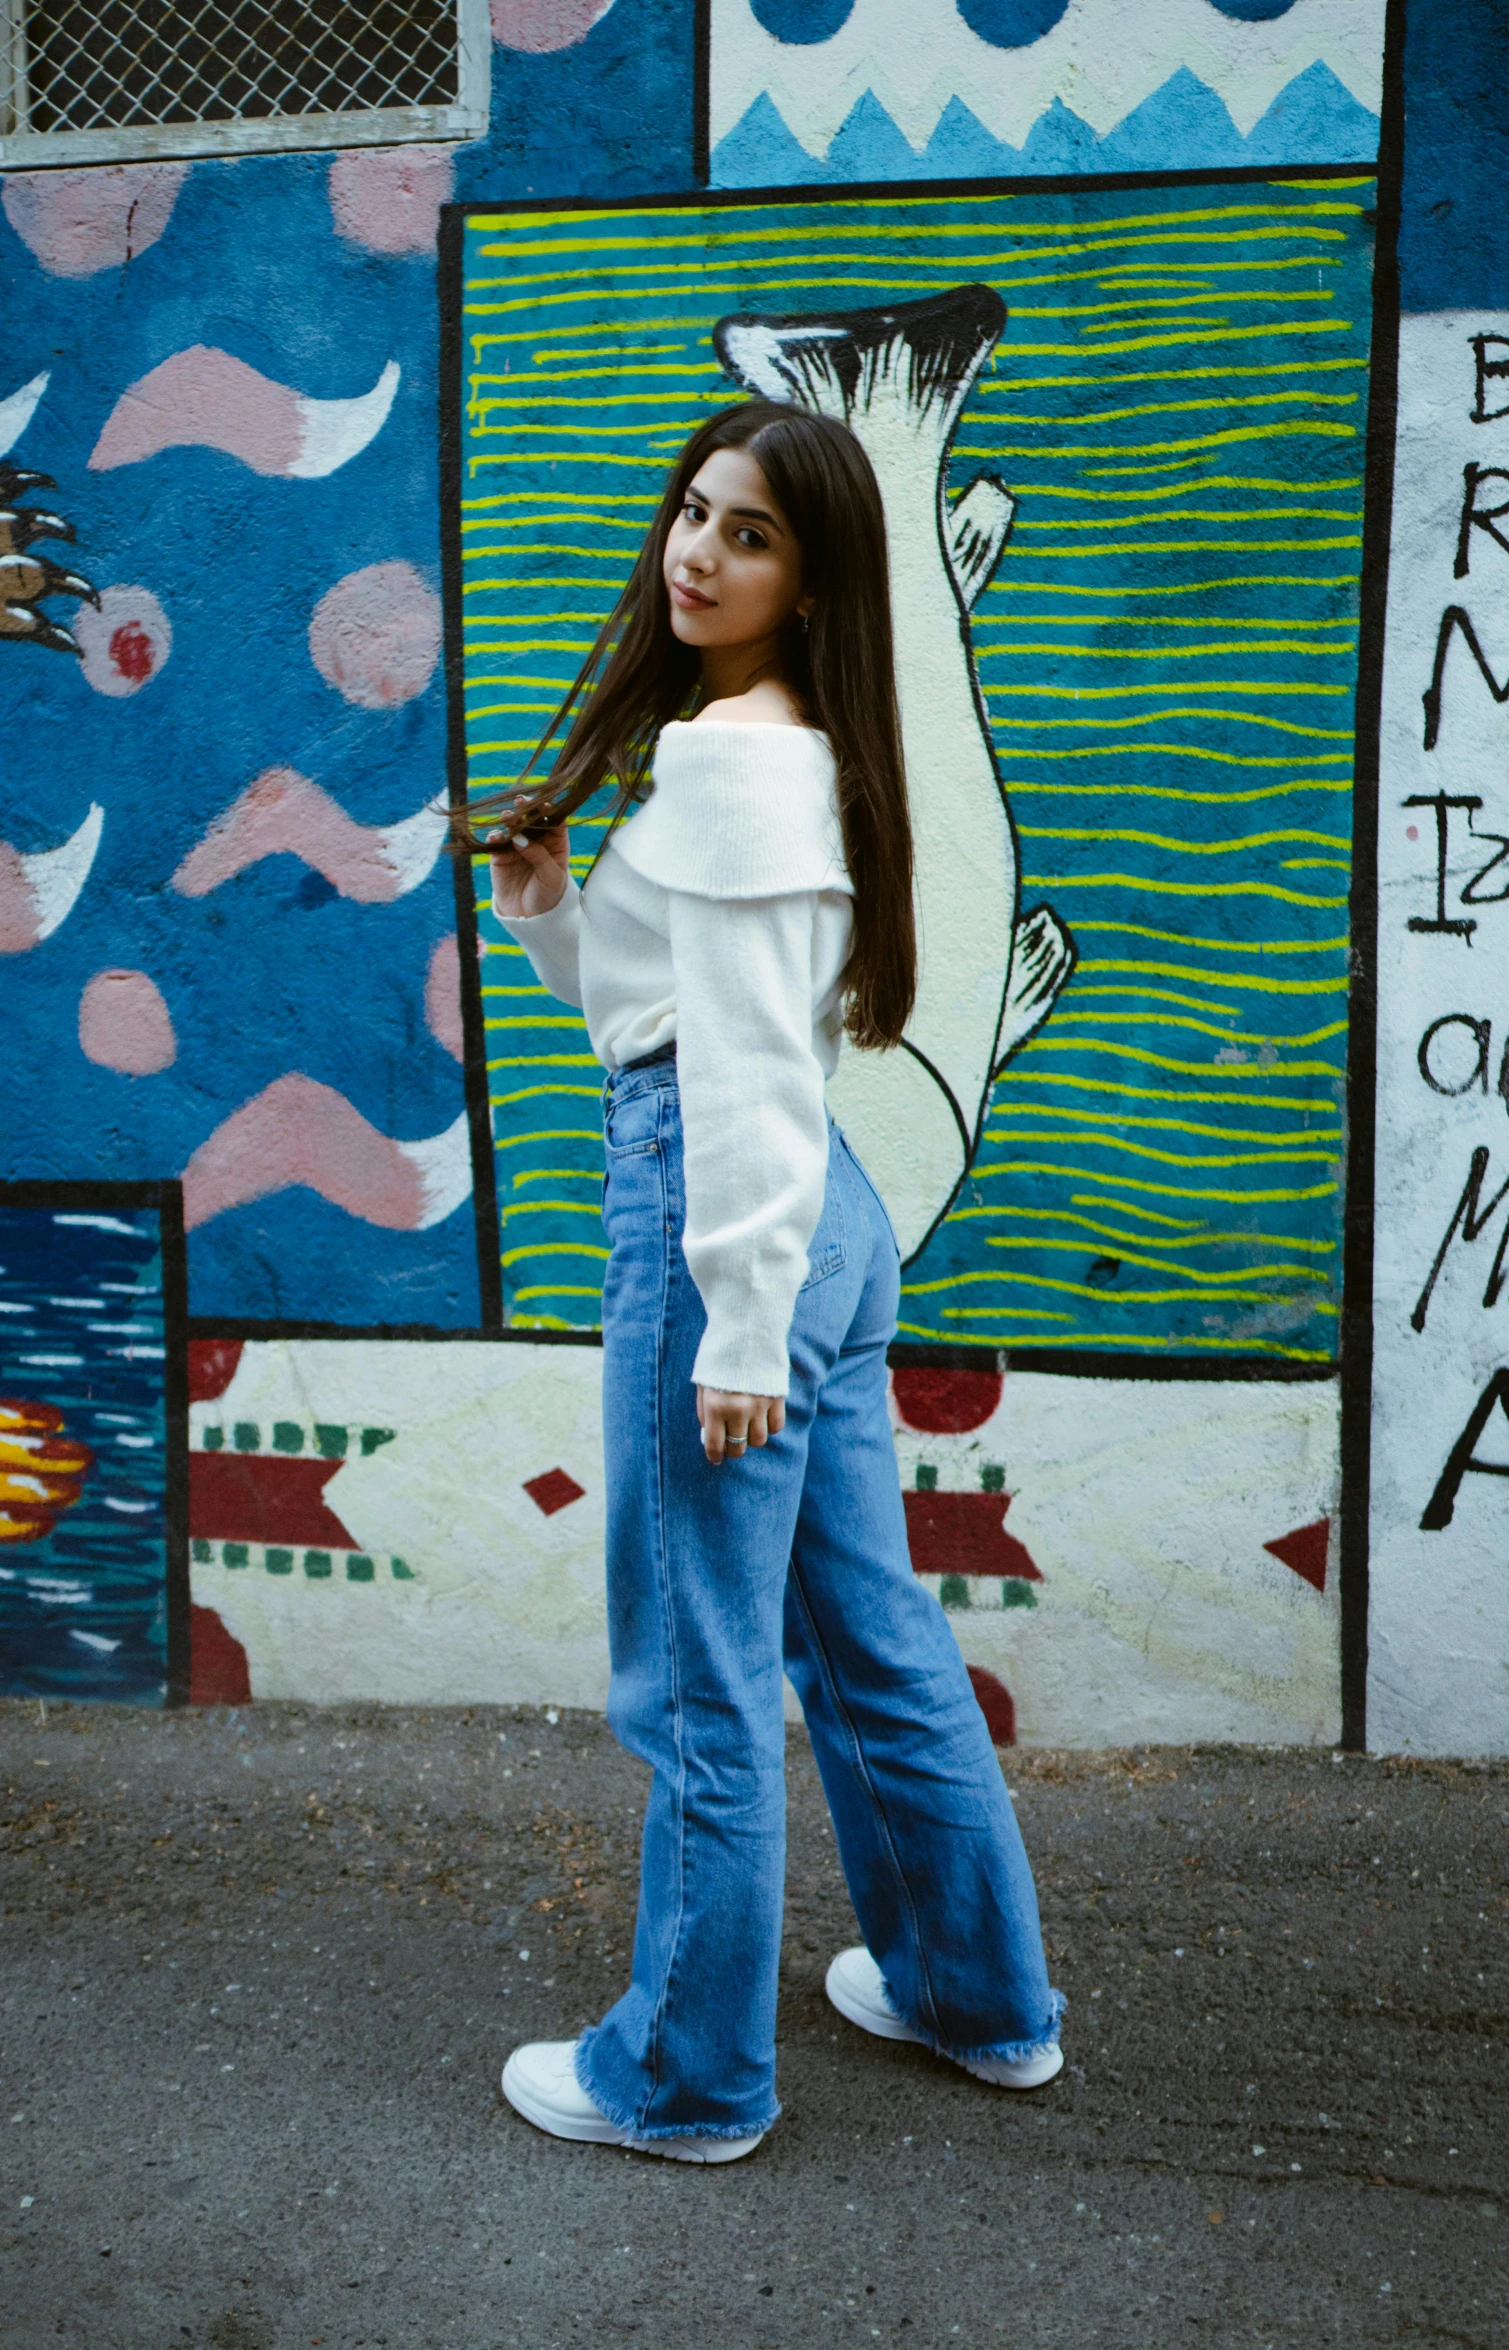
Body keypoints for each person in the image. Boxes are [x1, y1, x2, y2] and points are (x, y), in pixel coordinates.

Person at [468, 398, 1064, 2163]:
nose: (695, 552)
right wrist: (555, 910)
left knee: (698, 1676)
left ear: (810, 587)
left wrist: (732, 1325)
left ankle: (686, 2077)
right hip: (830, 1205)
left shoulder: (734, 761)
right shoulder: (777, 744)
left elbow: (723, 1071)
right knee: (864, 1635)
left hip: (739, 1212)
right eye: (692, 514)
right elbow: (680, 1016)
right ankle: (979, 1995)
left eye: (747, 536)